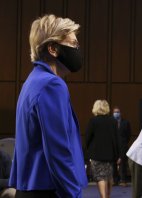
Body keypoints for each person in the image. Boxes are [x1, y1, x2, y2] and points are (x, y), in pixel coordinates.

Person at [9, 14, 87, 197]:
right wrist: (73, 194)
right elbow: (58, 151)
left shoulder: (32, 81)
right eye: (74, 44)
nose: (77, 49)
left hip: (30, 188)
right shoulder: (51, 85)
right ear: (53, 48)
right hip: (48, 190)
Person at [86, 100, 120, 198]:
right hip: (110, 154)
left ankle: (103, 196)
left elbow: (88, 137)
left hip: (96, 154)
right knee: (108, 176)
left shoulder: (93, 121)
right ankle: (107, 196)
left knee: (100, 177)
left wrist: (88, 151)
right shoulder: (113, 121)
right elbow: (116, 139)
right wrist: (118, 155)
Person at [112, 106, 132, 186]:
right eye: (115, 112)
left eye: (118, 112)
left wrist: (124, 142)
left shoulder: (126, 122)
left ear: (120, 113)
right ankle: (114, 180)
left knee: (123, 164)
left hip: (123, 146)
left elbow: (128, 135)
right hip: (113, 146)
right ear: (113, 113)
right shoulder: (110, 122)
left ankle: (123, 180)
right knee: (113, 164)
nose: (116, 113)